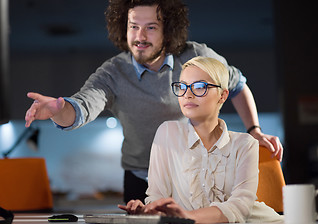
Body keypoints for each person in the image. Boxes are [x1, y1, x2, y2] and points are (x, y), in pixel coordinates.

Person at [24, 0, 283, 203]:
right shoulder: (113, 72)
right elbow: (83, 106)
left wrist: (254, 130)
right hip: (140, 178)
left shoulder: (196, 56)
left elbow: (237, 86)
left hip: (192, 174)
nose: (140, 36)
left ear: (168, 30)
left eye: (151, 27)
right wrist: (59, 109)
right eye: (133, 26)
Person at [119, 56, 282, 223]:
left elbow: (241, 206)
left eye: (199, 87)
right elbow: (157, 197)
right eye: (182, 87)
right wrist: (149, 210)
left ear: (222, 96)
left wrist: (188, 217)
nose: (187, 94)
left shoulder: (245, 144)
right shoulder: (167, 132)